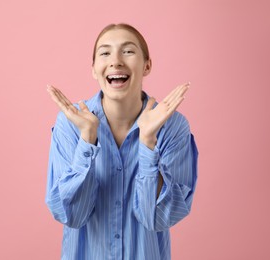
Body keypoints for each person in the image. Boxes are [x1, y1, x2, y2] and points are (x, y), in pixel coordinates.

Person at [45, 23, 198, 260]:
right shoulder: (70, 124)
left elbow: (158, 218)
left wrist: (148, 143)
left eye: (128, 51)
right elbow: (72, 215)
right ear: (94, 69)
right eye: (105, 53)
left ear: (147, 65)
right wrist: (87, 140)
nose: (115, 61)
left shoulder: (173, 126)